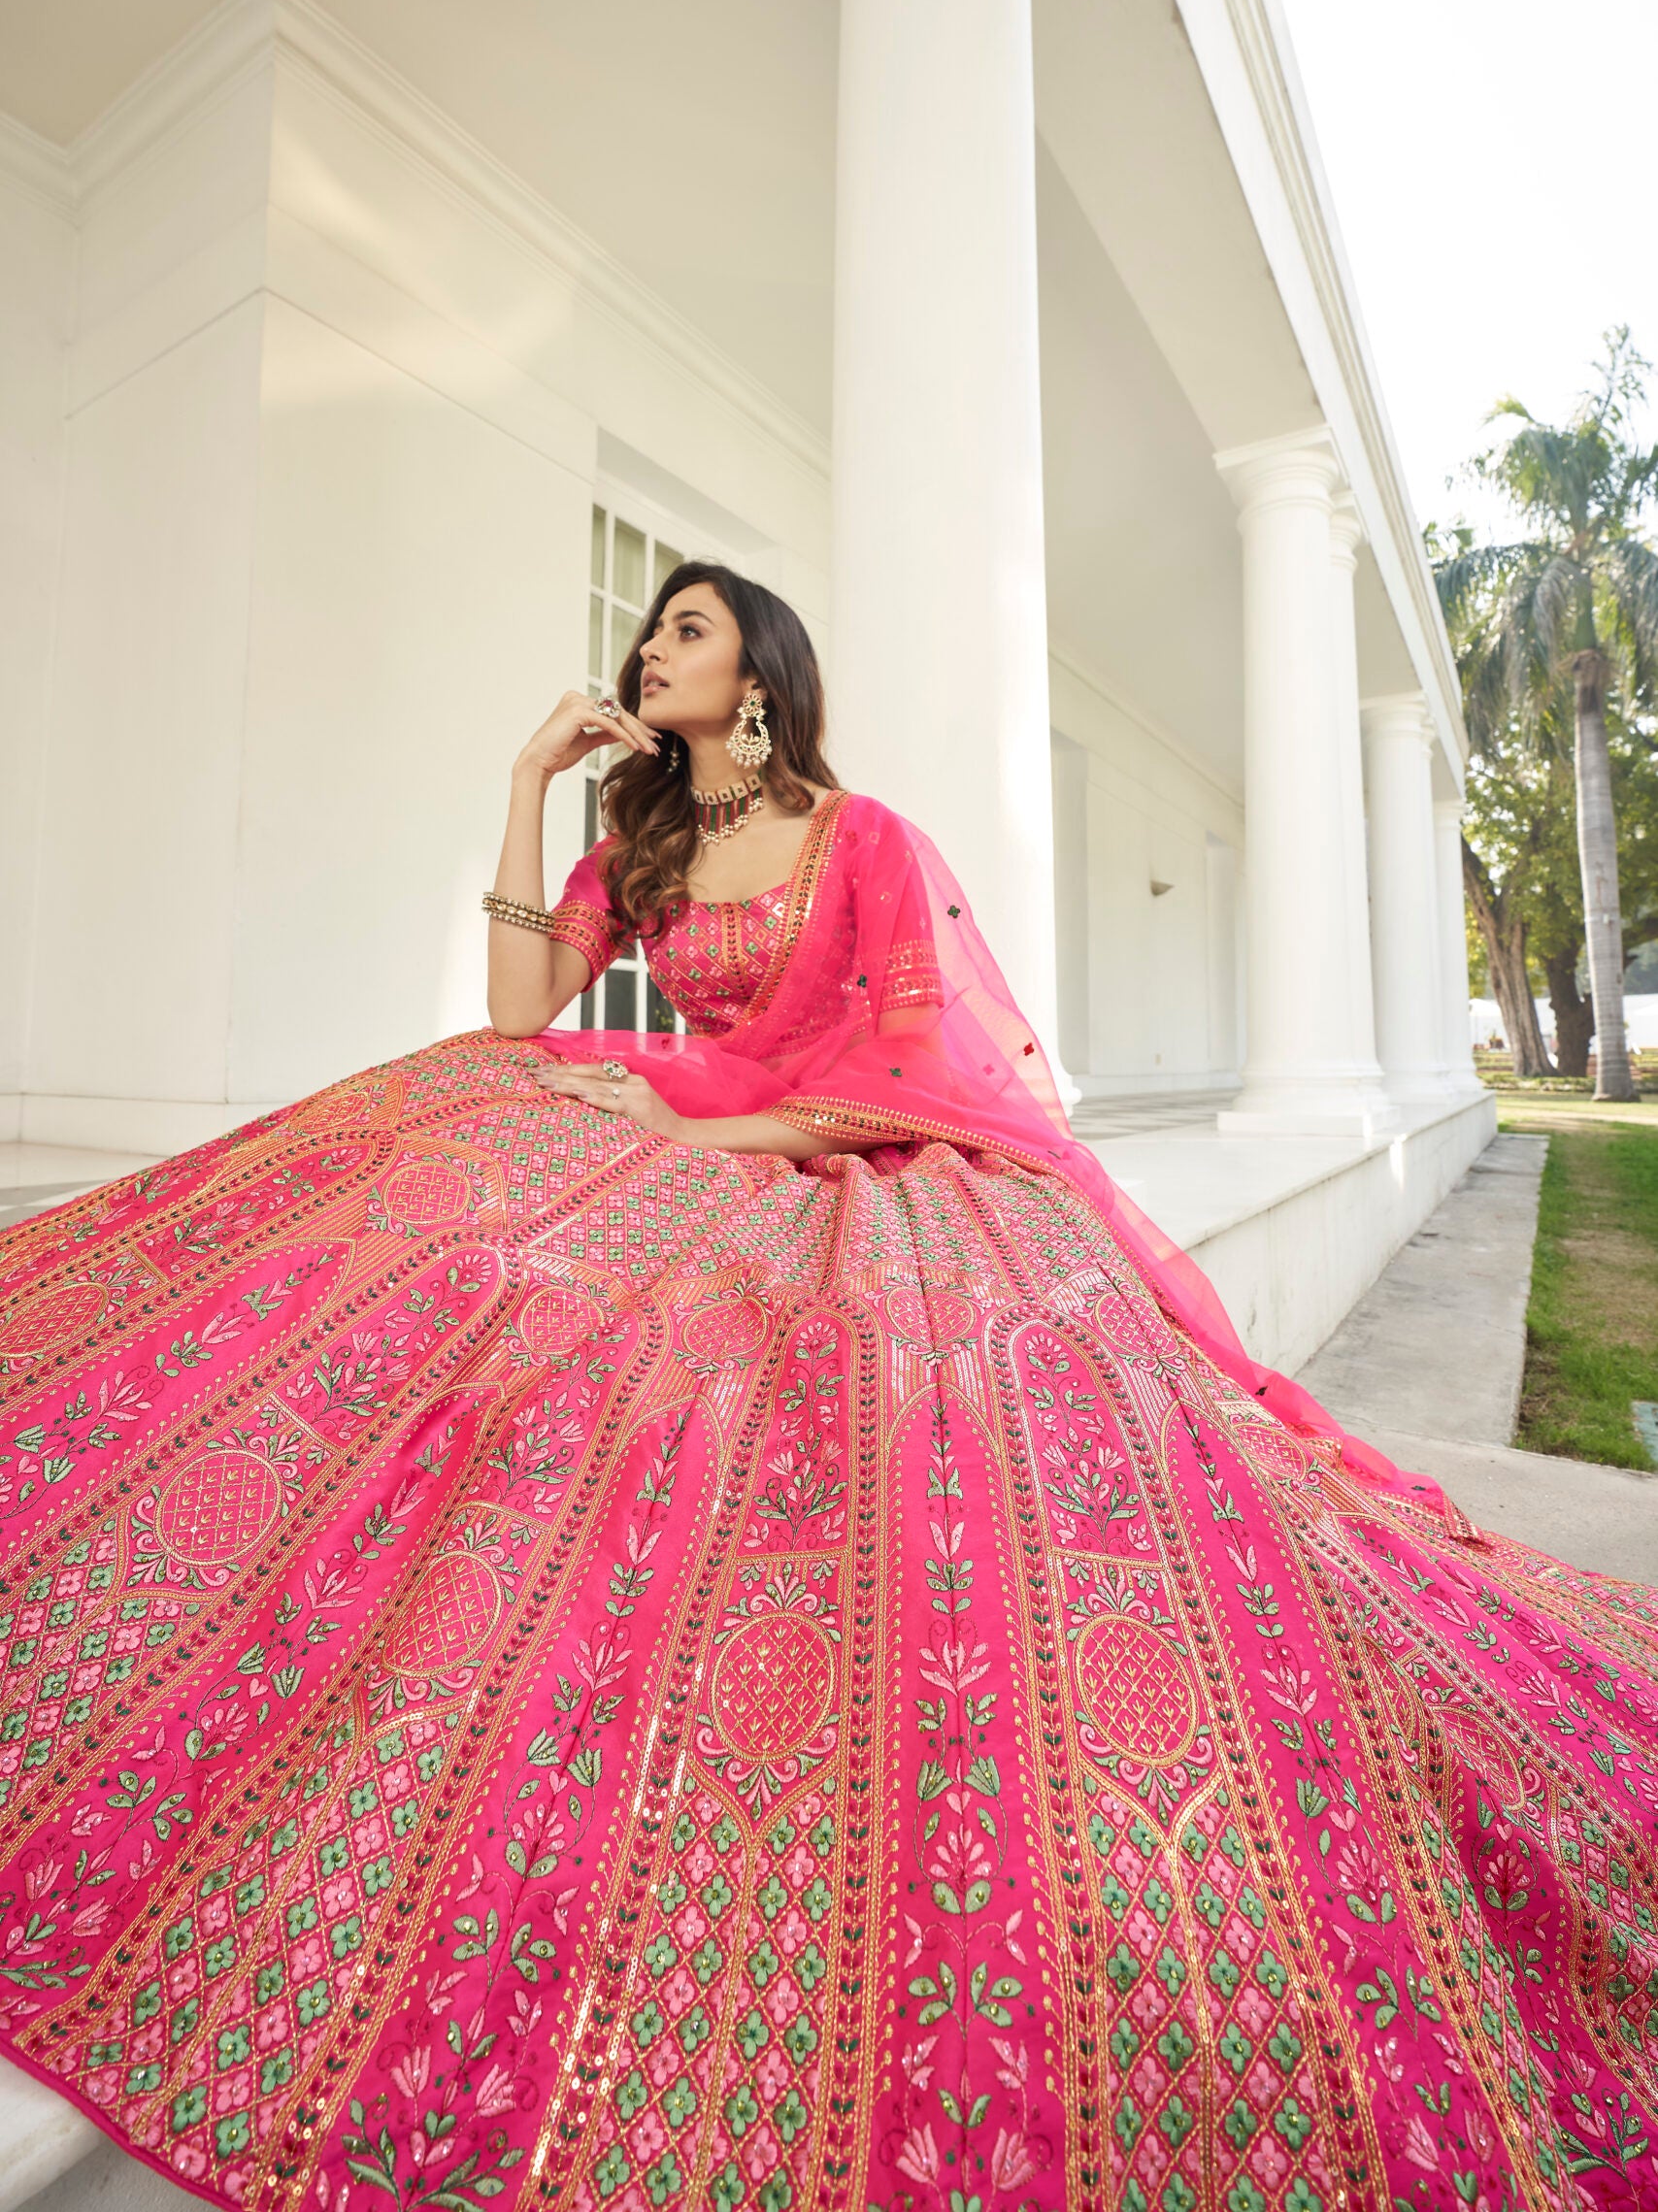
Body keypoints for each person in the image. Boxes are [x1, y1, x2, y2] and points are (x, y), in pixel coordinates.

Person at [0, 561, 1653, 2212]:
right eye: (650, 631)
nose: (656, 649)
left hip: (852, 1144)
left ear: (764, 671)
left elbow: (922, 1074)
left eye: (691, 629)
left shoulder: (866, 844)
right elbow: (519, 1014)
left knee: (902, 1374)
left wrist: (701, 1134)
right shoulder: (640, 842)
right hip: (689, 1107)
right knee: (454, 1132)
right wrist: (524, 783)